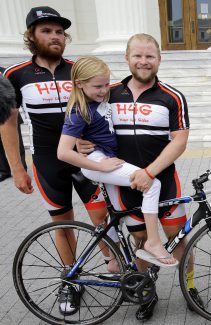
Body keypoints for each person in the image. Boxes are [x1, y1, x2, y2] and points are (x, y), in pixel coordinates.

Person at [77, 33, 202, 321]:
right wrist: (79, 143)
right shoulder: (108, 92)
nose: (144, 62)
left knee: (179, 239)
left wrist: (149, 173)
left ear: (159, 59)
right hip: (123, 184)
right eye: (138, 55)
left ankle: (190, 286)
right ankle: (146, 292)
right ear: (127, 58)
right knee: (141, 240)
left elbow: (179, 141)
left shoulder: (172, 96)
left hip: (162, 181)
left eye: (150, 56)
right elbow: (80, 119)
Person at [0, 6, 111, 316]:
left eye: (59, 32)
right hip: (48, 161)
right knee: (62, 225)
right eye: (46, 31)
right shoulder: (15, 74)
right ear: (32, 36)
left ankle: (112, 267)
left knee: (101, 217)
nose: (55, 37)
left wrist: (97, 138)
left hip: (86, 160)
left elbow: (103, 105)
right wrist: (17, 168)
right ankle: (72, 280)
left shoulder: (78, 69)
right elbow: (7, 123)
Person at [58, 56, 178, 267]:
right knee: (152, 183)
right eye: (98, 86)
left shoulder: (99, 99)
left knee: (114, 214)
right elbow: (63, 153)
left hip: (105, 160)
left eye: (106, 84)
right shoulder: (79, 110)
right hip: (98, 162)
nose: (104, 90)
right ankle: (153, 241)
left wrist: (81, 139)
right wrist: (99, 165)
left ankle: (114, 260)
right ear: (79, 84)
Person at [0, 67, 27, 182]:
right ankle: (3, 170)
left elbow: (14, 94)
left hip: (9, 114)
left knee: (17, 143)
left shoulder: (6, 72)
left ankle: (22, 167)